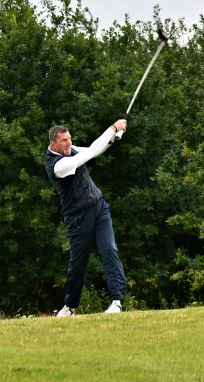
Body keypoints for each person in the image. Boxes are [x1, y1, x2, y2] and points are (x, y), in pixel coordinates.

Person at [45, 119, 128, 317]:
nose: (68, 143)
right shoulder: (57, 166)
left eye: (69, 138)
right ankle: (70, 306)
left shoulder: (70, 149)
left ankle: (117, 302)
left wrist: (111, 139)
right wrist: (113, 128)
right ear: (53, 144)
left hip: (99, 207)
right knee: (78, 263)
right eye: (64, 140)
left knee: (109, 250)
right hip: (78, 217)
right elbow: (91, 152)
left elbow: (96, 149)